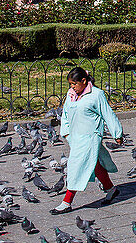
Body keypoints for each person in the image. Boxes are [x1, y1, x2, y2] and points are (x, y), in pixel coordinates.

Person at [51, 67, 123, 214]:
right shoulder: (71, 94)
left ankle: (67, 201)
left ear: (84, 81)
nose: (72, 87)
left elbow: (108, 114)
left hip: (90, 137)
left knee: (76, 166)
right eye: (70, 84)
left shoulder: (96, 95)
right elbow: (65, 114)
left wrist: (117, 133)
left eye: (74, 84)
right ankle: (111, 189)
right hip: (75, 137)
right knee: (94, 164)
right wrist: (65, 132)